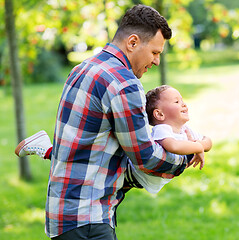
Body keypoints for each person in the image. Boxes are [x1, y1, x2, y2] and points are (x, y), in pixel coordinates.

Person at [15, 5, 205, 240]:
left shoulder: (81, 69)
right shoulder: (124, 83)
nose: (156, 61)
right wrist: (188, 154)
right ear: (133, 42)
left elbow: (80, 148)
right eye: (155, 53)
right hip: (89, 220)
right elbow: (146, 158)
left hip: (63, 216)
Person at [16, 85, 212, 194]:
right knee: (87, 170)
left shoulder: (185, 129)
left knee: (86, 169)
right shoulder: (162, 131)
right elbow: (174, 146)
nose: (184, 104)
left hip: (136, 178)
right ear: (159, 115)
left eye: (182, 99)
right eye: (177, 101)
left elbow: (208, 141)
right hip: (129, 173)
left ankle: (47, 149)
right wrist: (196, 146)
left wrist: (200, 146)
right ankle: (46, 149)